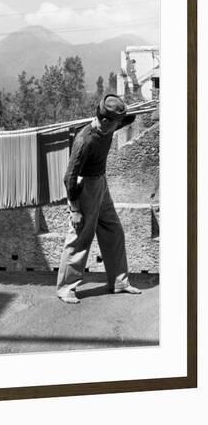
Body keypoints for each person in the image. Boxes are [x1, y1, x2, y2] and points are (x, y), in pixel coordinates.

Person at [56, 94, 142, 304]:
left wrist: (126, 110)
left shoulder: (108, 126)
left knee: (114, 230)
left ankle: (119, 282)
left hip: (101, 184)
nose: (119, 126)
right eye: (116, 122)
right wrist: (75, 210)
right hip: (85, 188)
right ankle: (66, 288)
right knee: (80, 238)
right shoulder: (85, 140)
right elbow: (69, 177)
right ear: (104, 121)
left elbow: (128, 118)